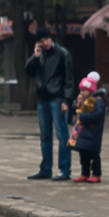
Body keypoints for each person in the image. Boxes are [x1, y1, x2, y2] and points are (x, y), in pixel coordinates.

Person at [25, 27, 76, 181]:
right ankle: (45, 169)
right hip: (42, 99)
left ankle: (64, 170)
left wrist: (67, 100)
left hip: (57, 98)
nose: (44, 43)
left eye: (46, 40)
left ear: (51, 38)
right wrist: (35, 57)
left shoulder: (62, 54)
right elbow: (29, 71)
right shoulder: (39, 55)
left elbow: (69, 78)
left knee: (62, 135)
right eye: (40, 41)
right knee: (45, 136)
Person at [70, 71, 106, 183]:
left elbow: (98, 115)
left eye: (84, 90)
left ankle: (96, 174)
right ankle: (84, 173)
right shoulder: (83, 100)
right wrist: (77, 103)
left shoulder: (98, 101)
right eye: (80, 90)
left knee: (94, 154)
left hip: (93, 132)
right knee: (83, 154)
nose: (81, 92)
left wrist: (83, 116)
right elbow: (74, 110)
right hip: (82, 132)